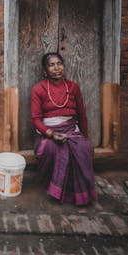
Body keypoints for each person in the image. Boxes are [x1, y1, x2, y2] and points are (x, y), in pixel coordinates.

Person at [30, 52, 97, 206]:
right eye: (51, 65)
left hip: (71, 129)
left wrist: (84, 137)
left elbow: (82, 115)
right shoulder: (38, 89)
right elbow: (35, 119)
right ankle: (55, 188)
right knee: (51, 149)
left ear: (64, 66)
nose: (56, 68)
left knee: (83, 148)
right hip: (48, 131)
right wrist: (52, 134)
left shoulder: (73, 87)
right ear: (45, 70)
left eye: (59, 63)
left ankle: (78, 193)